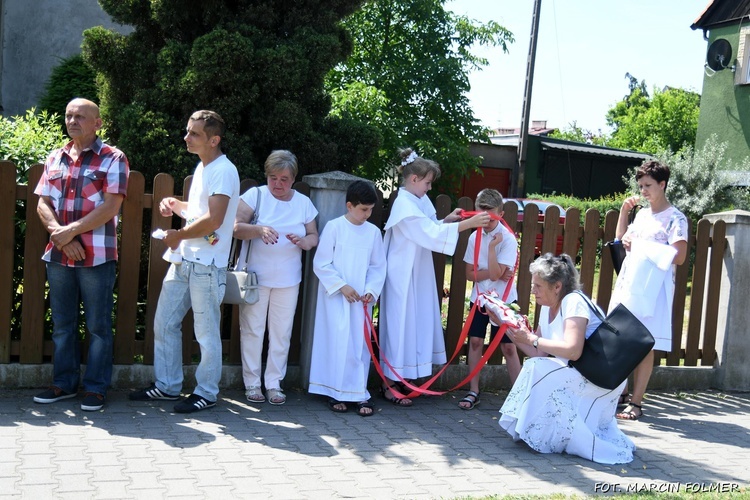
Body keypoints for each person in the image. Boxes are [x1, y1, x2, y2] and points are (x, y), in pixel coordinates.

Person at [129, 110, 240, 413]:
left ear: (214, 140)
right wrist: (178, 205)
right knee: (164, 322)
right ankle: (167, 387)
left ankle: (206, 392)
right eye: (188, 131)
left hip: (206, 265)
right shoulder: (205, 167)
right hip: (186, 260)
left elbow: (215, 220)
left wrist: (178, 235)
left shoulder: (223, 170)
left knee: (205, 332)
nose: (186, 137)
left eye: (194, 134)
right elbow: (203, 210)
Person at [32, 98, 129, 412]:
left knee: (98, 325)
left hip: (97, 256)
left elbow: (111, 207)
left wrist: (69, 231)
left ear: (97, 123)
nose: (73, 121)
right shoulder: (54, 157)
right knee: (62, 323)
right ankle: (63, 384)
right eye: (69, 116)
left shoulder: (113, 158)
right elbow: (42, 204)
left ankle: (96, 388)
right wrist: (62, 239)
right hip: (59, 255)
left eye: (81, 117)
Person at [378, 148, 490, 406]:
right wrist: (466, 225)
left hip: (417, 272)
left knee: (413, 323)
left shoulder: (417, 199)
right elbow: (426, 232)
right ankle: (389, 383)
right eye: (427, 182)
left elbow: (432, 228)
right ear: (414, 179)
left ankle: (405, 377)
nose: (429, 188)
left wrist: (448, 221)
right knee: (399, 324)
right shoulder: (404, 203)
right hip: (403, 274)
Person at [499, 253, 636, 464]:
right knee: (536, 364)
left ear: (557, 286)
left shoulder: (573, 301)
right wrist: (508, 328)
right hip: (582, 370)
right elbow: (538, 351)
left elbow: (573, 351)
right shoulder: (546, 307)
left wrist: (532, 338)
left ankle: (539, 433)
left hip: (600, 375)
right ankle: (535, 432)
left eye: (538, 286)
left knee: (536, 367)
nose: (533, 290)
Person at [233, 150, 318, 405]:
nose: (278, 184)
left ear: (293, 179)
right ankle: (251, 383)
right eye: (273, 178)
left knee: (281, 333)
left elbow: (314, 235)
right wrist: (259, 230)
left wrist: (304, 242)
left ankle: (273, 384)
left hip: (289, 278)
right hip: (254, 278)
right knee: (252, 330)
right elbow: (235, 227)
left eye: (284, 179)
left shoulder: (303, 203)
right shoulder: (255, 195)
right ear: (266, 176)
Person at [611, 160, 688, 421]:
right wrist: (624, 213)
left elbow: (679, 256)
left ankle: (636, 402)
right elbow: (621, 238)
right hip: (630, 282)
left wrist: (643, 245)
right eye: (641, 186)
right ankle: (619, 394)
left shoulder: (675, 218)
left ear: (662, 184)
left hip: (653, 290)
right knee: (622, 338)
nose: (643, 191)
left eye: (648, 185)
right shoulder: (642, 214)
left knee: (644, 344)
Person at [308, 180, 387, 416]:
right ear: (349, 205)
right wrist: (342, 286)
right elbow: (321, 263)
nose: (368, 214)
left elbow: (378, 266)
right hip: (337, 298)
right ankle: (335, 391)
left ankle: (359, 392)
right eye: (363, 209)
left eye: (371, 209)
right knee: (336, 342)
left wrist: (371, 290)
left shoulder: (373, 233)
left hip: (361, 300)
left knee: (358, 345)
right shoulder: (334, 228)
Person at [458, 189, 520, 410]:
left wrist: (493, 248)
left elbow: (496, 274)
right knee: (474, 342)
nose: (485, 216)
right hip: (480, 298)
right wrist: (491, 272)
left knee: (508, 348)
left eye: (490, 211)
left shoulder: (508, 240)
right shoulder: (474, 237)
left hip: (503, 300)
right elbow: (470, 274)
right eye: (481, 210)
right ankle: (473, 390)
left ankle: (519, 397)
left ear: (500, 213)